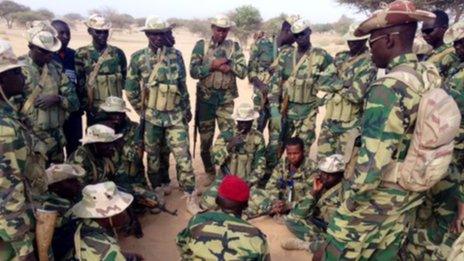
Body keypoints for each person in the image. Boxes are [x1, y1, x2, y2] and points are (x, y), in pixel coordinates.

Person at [319, 1, 438, 259]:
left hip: (379, 197)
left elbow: (372, 164)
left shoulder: (388, 88)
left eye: (373, 43)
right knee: (385, 252)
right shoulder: (426, 74)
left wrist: (348, 203)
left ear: (391, 40)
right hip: (409, 191)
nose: (370, 50)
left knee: (333, 252)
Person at [125, 16, 200, 214]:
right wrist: (143, 112)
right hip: (152, 118)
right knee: (153, 156)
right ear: (147, 35)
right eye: (153, 34)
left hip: (175, 116)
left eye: (161, 34)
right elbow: (131, 89)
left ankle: (190, 193)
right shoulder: (138, 58)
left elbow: (182, 86)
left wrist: (187, 109)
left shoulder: (176, 56)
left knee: (183, 155)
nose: (157, 38)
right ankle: (158, 188)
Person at [405, 21, 464, 260]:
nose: (458, 48)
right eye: (457, 43)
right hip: (449, 143)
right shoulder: (457, 69)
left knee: (450, 194)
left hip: (457, 147)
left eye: (462, 43)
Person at [268, 19, 341, 158]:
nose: (300, 38)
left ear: (309, 32)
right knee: (276, 148)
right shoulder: (286, 55)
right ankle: (272, 177)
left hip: (308, 112)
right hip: (286, 110)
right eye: (296, 35)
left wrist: (323, 99)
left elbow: (336, 78)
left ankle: (300, 178)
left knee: (303, 150)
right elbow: (275, 82)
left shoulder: (320, 55)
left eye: (303, 34)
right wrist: (274, 109)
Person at [190, 14, 247, 184]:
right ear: (212, 29)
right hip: (206, 101)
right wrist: (212, 66)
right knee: (206, 140)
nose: (221, 34)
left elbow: (243, 72)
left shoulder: (234, 47)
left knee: (228, 136)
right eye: (218, 30)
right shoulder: (201, 46)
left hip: (226, 101)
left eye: (225, 30)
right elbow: (193, 72)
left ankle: (226, 171)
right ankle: (209, 171)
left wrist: (229, 66)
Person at [20, 20, 79, 165]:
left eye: (51, 51)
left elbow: (74, 103)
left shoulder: (56, 69)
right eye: (43, 51)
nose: (49, 56)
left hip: (56, 142)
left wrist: (58, 99)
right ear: (30, 47)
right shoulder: (17, 71)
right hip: (31, 142)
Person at [0, 39, 37, 261]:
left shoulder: (9, 113)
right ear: (3, 79)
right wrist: (24, 247)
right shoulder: (4, 129)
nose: (23, 78)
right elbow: (7, 191)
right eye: (17, 73)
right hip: (10, 228)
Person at [317, 24, 377, 160]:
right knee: (323, 161)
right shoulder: (341, 58)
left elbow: (356, 95)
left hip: (351, 125)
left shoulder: (369, 62)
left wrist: (335, 84)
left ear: (364, 40)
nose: (351, 44)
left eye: (355, 41)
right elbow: (321, 82)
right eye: (350, 40)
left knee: (344, 165)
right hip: (330, 121)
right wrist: (343, 84)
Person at [176, 175, 270, 260]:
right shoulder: (257, 237)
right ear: (245, 205)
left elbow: (181, 244)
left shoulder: (197, 220)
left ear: (216, 200)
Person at [200, 103, 266, 209]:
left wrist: (250, 182)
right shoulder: (226, 135)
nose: (244, 125)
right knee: (207, 204)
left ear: (252, 121)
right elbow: (215, 160)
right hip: (225, 179)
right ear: (237, 121)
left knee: (259, 205)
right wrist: (229, 146)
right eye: (241, 122)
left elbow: (260, 165)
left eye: (247, 122)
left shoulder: (257, 137)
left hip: (246, 181)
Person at [281, 154, 345, 253]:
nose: (326, 177)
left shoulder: (345, 193)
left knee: (339, 248)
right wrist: (314, 192)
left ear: (341, 175)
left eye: (331, 174)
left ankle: (307, 246)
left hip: (335, 234)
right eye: (324, 173)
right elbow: (296, 214)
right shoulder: (321, 184)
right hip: (320, 227)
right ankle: (320, 244)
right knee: (290, 220)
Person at [66, 181, 143, 260]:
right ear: (107, 217)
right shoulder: (108, 249)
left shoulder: (84, 224)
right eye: (120, 210)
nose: (125, 214)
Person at [75, 14, 127, 124]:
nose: (102, 35)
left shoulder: (118, 53)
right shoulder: (81, 54)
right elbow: (80, 84)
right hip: (95, 111)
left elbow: (123, 80)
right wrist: (88, 108)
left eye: (105, 32)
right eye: (98, 32)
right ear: (90, 31)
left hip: (116, 110)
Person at [265, 15, 300, 177]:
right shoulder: (288, 52)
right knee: (277, 142)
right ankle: (271, 174)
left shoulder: (289, 52)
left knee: (282, 142)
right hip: (281, 106)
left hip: (288, 108)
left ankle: (277, 174)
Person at [247, 137, 316, 217]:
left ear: (303, 152)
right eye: (289, 154)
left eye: (296, 153)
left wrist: (289, 206)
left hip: (298, 207)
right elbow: (270, 186)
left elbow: (310, 198)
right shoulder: (282, 165)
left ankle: (271, 212)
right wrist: (276, 201)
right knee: (254, 192)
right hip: (280, 203)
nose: (292, 157)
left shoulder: (312, 168)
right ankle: (270, 211)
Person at [51, 19, 83, 155]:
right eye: (61, 33)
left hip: (73, 114)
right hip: (53, 115)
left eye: (68, 33)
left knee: (75, 151)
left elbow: (82, 83)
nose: (66, 37)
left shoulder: (75, 56)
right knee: (54, 155)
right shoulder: (46, 56)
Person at [248, 31, 276, 132]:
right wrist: (260, 85)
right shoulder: (257, 46)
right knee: (258, 123)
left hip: (276, 92)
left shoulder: (280, 47)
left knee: (275, 126)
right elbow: (251, 68)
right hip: (261, 90)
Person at [422, 10, 460, 78]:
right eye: (423, 31)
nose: (424, 35)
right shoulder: (432, 53)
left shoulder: (451, 54)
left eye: (428, 31)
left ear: (444, 28)